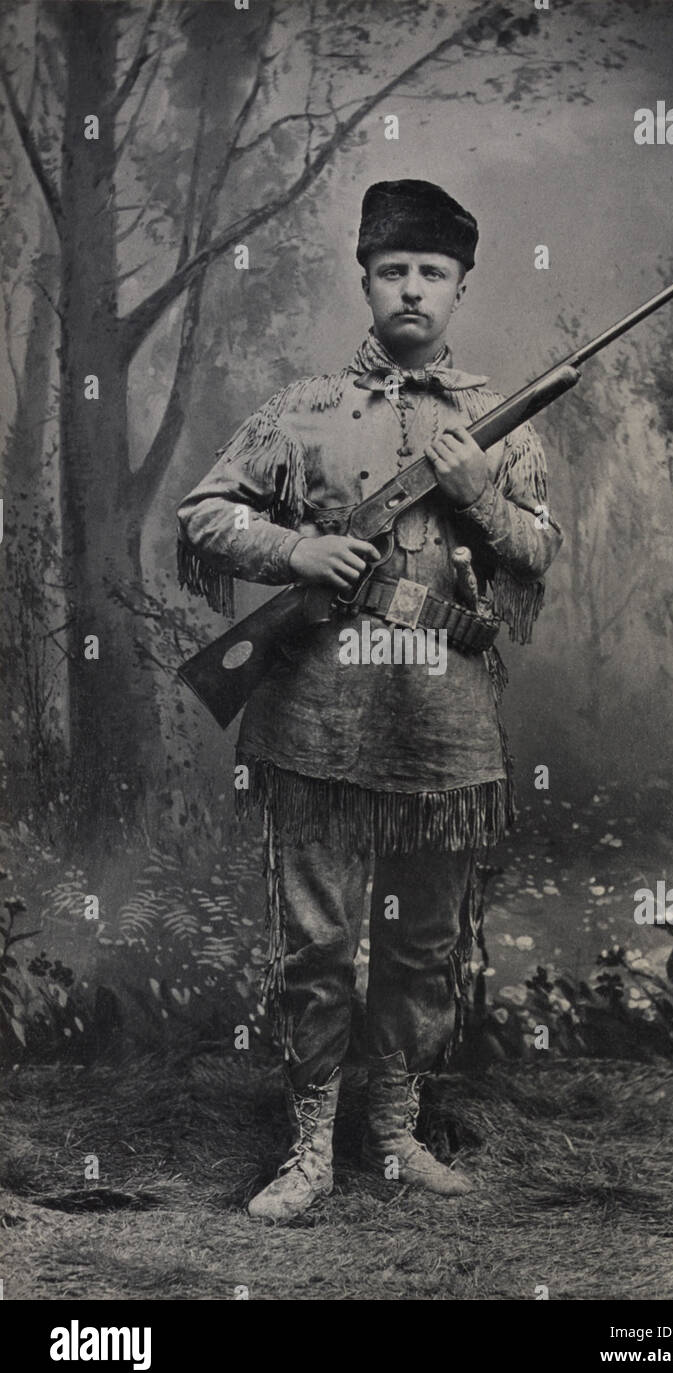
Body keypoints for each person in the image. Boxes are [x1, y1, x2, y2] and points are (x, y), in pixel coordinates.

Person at [176, 179, 563, 1223]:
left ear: (459, 288)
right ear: (364, 279)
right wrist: (297, 548)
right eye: (393, 269)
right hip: (313, 720)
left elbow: (537, 555)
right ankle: (306, 1149)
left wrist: (476, 488)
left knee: (421, 943)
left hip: (443, 734)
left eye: (431, 273)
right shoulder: (298, 411)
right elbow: (203, 513)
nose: (411, 289)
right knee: (316, 939)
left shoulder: (497, 423)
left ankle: (392, 1136)